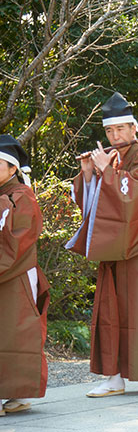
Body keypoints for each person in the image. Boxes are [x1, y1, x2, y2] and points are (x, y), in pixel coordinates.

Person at [67, 92, 138, 397]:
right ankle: (114, 376)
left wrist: (106, 171)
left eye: (120, 130)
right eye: (109, 131)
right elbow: (95, 204)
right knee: (111, 313)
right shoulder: (111, 160)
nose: (115, 136)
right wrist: (89, 175)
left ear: (134, 129)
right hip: (113, 248)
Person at [0, 136, 49, 415]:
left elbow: (16, 242)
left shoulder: (21, 198)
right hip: (9, 273)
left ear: (13, 169)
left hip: (15, 275)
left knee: (13, 334)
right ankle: (15, 394)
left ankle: (13, 393)